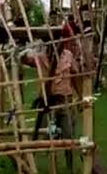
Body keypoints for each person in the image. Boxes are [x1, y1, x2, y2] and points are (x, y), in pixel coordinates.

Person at [22, 23, 80, 173]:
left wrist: (80, 96)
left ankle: (70, 168)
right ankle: (28, 163)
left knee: (68, 136)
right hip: (47, 101)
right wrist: (21, 44)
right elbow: (23, 59)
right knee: (40, 135)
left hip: (64, 100)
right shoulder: (41, 57)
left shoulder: (68, 56)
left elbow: (75, 76)